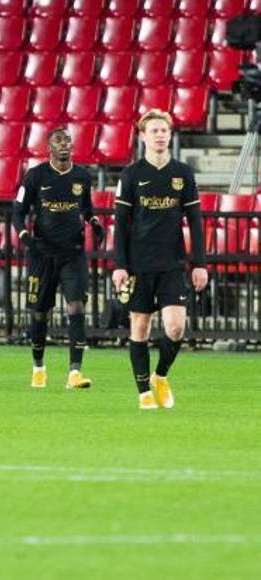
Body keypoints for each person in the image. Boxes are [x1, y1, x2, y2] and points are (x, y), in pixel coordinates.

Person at [113, 109, 208, 410]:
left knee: (176, 327)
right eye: (153, 131)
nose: (160, 135)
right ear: (143, 137)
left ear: (170, 135)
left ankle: (161, 376)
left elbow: (195, 221)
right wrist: (119, 265)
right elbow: (120, 223)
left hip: (171, 264)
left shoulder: (183, 173)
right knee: (139, 327)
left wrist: (200, 263)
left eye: (164, 130)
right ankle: (143, 393)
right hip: (139, 265)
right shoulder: (131, 174)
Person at [13, 127, 105, 390]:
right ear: (49, 148)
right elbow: (18, 211)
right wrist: (25, 237)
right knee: (40, 313)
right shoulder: (35, 176)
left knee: (76, 307)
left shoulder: (82, 176)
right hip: (42, 253)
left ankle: (75, 372)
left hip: (72, 253)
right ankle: (39, 367)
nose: (64, 144)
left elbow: (85, 207)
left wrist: (94, 221)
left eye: (67, 140)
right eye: (58, 141)